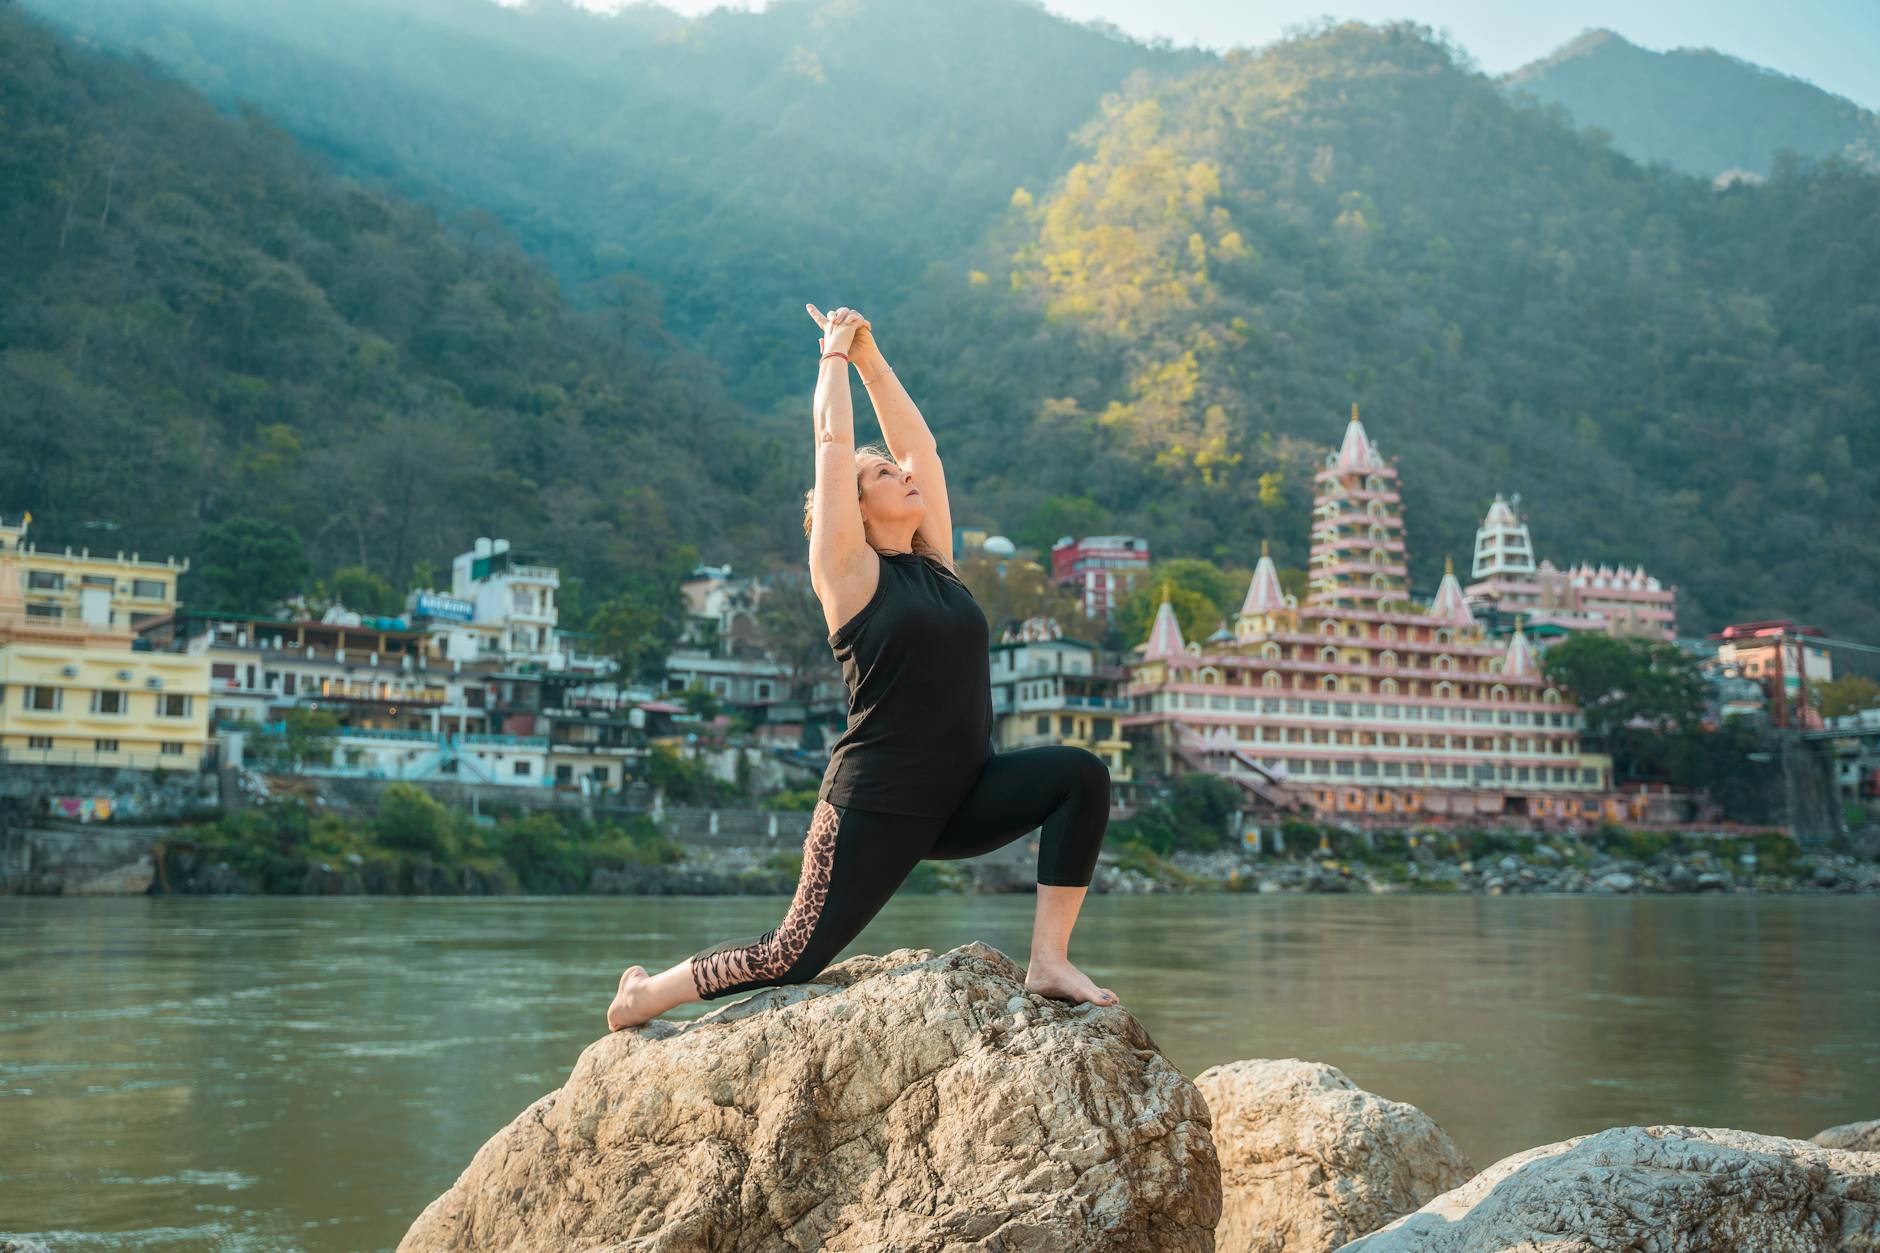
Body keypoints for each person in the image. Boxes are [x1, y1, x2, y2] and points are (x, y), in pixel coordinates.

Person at [607, 304, 1117, 1031]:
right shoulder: (848, 573)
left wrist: (873, 356)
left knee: (1081, 776)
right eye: (881, 472)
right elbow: (832, 438)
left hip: (962, 793)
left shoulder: (935, 561)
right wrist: (834, 358)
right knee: (790, 954)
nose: (902, 472)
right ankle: (645, 994)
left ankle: (1049, 960)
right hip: (874, 805)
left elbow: (925, 447)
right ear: (854, 502)